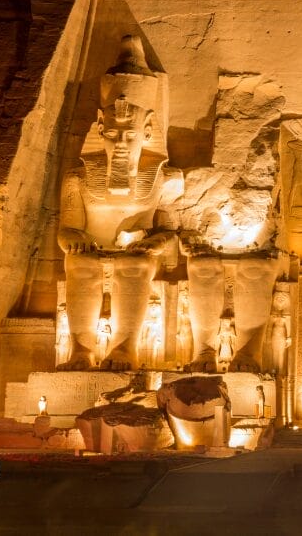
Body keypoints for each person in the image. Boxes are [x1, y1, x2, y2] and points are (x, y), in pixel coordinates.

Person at [58, 35, 183, 370]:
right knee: (80, 265)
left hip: (137, 256)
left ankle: (126, 347)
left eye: (130, 135)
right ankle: (81, 349)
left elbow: (170, 232)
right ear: (100, 128)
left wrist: (153, 243)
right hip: (91, 252)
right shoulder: (77, 177)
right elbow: (67, 229)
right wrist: (74, 240)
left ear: (147, 130)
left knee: (134, 266)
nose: (122, 145)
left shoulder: (162, 177)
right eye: (113, 135)